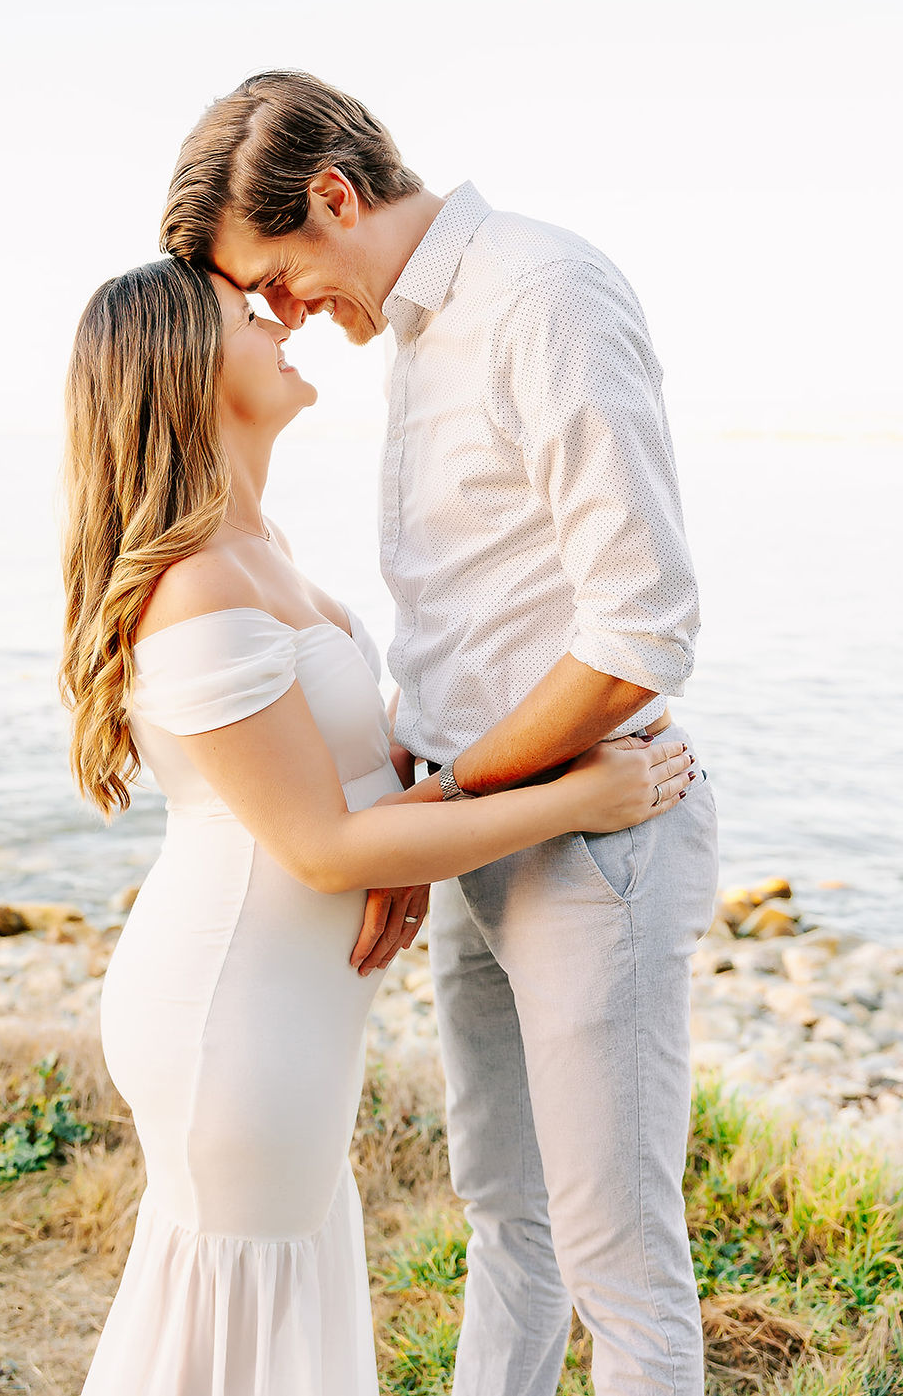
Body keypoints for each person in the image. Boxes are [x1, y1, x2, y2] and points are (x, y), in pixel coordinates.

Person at [159, 70, 721, 1396]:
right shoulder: (421, 336)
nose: (279, 315)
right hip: (480, 825)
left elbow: (641, 627)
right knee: (506, 1226)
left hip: (597, 835)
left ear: (337, 197)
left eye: (276, 278)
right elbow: (470, 629)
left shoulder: (543, 295)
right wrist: (429, 810)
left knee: (617, 1261)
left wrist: (450, 798)